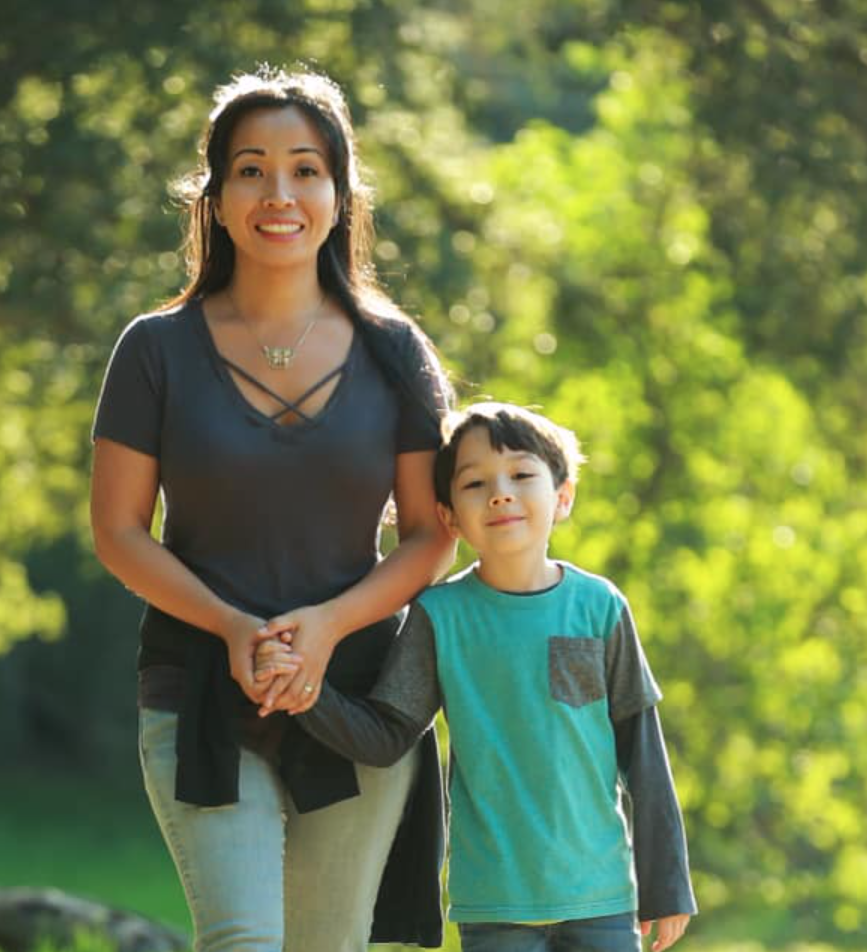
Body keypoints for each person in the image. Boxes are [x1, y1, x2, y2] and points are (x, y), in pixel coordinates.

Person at [89, 65, 455, 952]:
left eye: (305, 169)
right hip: (199, 688)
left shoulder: (396, 352)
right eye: (250, 170)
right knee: (244, 941)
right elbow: (119, 530)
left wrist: (325, 630)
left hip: (360, 701)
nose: (278, 193)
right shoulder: (155, 350)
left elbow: (430, 537)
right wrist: (232, 629)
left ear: (339, 193)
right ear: (214, 198)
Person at [258, 402, 698, 952]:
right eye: (475, 484)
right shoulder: (440, 616)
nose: (500, 493)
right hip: (494, 905)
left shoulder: (599, 606)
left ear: (562, 497)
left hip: (602, 898)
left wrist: (667, 884)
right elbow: (386, 736)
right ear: (448, 518)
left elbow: (643, 755)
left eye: (521, 474)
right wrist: (306, 693)